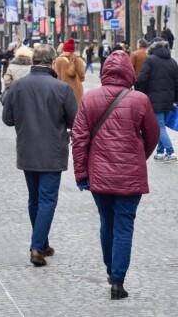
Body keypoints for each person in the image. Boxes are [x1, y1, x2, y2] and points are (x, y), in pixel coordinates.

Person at [72, 50, 159, 300]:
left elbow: (79, 138)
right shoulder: (140, 100)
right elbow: (152, 135)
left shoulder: (90, 98)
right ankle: (118, 282)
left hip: (99, 175)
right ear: (129, 73)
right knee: (124, 226)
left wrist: (81, 173)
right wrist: (137, 158)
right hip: (130, 176)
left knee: (106, 222)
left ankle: (111, 269)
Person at [2, 44, 77, 266]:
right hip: (52, 151)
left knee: (35, 198)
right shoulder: (62, 89)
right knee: (47, 200)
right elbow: (75, 121)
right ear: (52, 62)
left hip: (27, 149)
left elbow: (7, 119)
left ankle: (41, 243)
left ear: (34, 61)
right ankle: (37, 246)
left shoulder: (17, 87)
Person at [136, 38, 178, 162]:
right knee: (161, 125)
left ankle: (170, 152)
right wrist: (175, 99)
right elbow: (177, 83)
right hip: (169, 99)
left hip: (154, 98)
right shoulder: (172, 62)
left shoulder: (150, 60)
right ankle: (160, 152)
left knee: (159, 126)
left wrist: (141, 92)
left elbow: (142, 78)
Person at [55, 38, 86, 105]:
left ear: (64, 50)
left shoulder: (58, 61)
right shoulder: (79, 60)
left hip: (63, 92)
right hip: (77, 92)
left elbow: (57, 78)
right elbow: (82, 77)